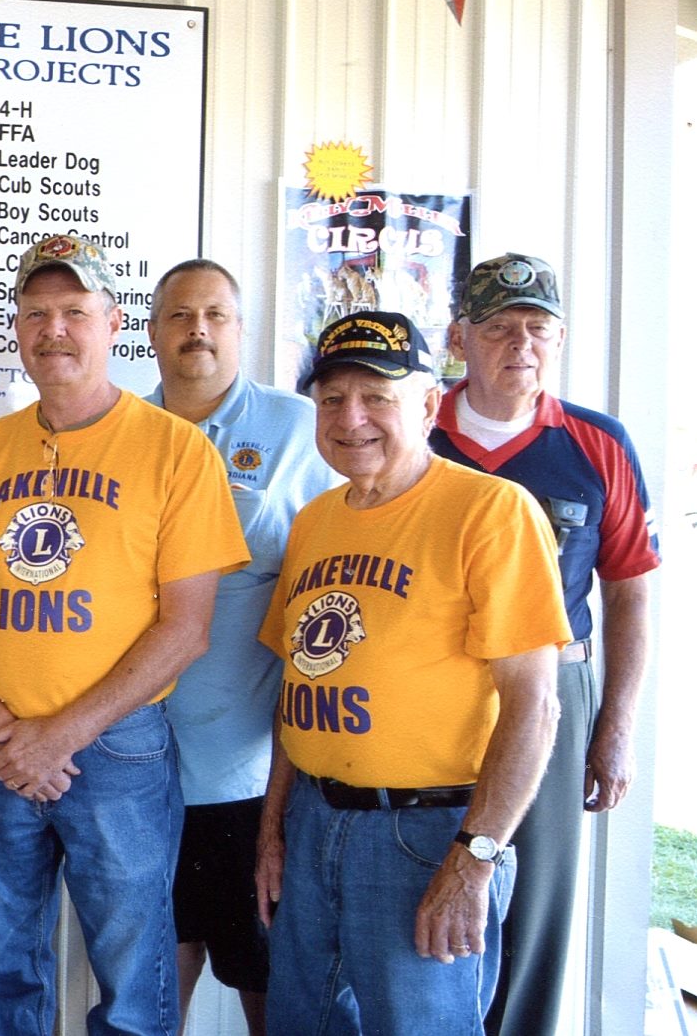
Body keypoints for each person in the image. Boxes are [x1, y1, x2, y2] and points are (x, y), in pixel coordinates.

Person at [0, 233, 249, 1035]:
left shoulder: (176, 451)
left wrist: (59, 734)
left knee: (135, 973)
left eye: (75, 310)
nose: (54, 329)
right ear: (18, 331)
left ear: (113, 325)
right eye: (36, 312)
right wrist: (5, 730)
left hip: (118, 750)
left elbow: (187, 627)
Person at [255, 310, 570, 1035]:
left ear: (429, 404)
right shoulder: (315, 521)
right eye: (332, 398)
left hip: (426, 837)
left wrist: (474, 860)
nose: (351, 417)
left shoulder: (490, 511)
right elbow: (298, 689)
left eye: (377, 395)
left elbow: (535, 705)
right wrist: (274, 831)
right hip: (313, 825)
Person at [431, 253, 660, 1036]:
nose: (519, 344)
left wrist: (616, 727)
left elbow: (630, 589)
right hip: (427, 695)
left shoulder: (597, 444)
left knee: (534, 905)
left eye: (538, 328)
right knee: (423, 880)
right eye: (498, 327)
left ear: (557, 341)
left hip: (555, 695)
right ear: (460, 337)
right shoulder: (414, 429)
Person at [144, 259, 337, 1036]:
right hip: (138, 760)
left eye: (217, 314)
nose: (198, 329)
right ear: (151, 332)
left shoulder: (297, 428)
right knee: (156, 964)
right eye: (180, 315)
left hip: (251, 764)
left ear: (241, 329)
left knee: (266, 969)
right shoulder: (123, 431)